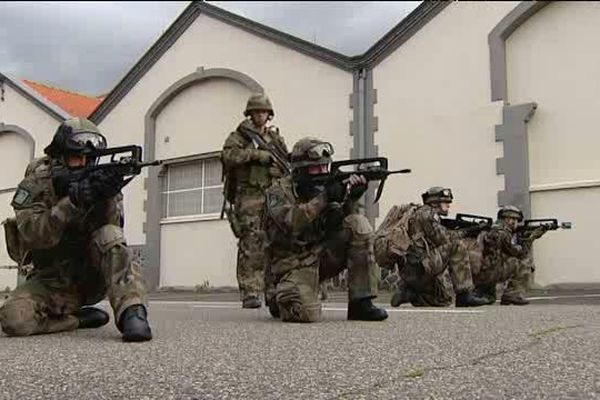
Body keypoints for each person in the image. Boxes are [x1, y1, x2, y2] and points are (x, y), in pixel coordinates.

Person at [0, 117, 152, 342]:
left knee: (109, 235)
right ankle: (78, 319)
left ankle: (132, 311)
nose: (83, 164)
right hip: (52, 281)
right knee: (13, 319)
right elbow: (34, 236)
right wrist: (72, 202)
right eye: (75, 158)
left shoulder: (99, 181)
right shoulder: (35, 186)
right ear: (59, 157)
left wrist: (106, 196)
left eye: (89, 159)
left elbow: (113, 233)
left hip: (93, 277)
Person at [262, 137, 388, 322]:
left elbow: (336, 224)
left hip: (318, 256)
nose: (322, 172)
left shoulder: (325, 187)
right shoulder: (277, 192)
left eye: (325, 167)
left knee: (358, 224)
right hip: (290, 266)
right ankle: (279, 297)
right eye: (316, 169)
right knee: (306, 314)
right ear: (300, 170)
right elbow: (291, 222)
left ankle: (361, 304)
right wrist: (325, 198)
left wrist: (352, 198)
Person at [221, 93, 289, 309]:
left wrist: (277, 168)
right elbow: (228, 156)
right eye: (257, 111)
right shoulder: (240, 136)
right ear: (250, 113)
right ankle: (250, 291)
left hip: (273, 195)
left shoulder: (274, 139)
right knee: (251, 242)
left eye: (264, 112)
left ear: (269, 115)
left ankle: (272, 290)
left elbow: (286, 163)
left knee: (275, 241)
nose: (261, 115)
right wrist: (257, 156)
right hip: (249, 196)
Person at [374, 187, 488, 308]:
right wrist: (467, 232)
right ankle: (464, 295)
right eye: (445, 202)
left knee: (443, 300)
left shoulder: (418, 214)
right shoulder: (428, 214)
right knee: (457, 245)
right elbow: (444, 238)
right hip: (420, 267)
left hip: (411, 270)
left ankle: (411, 293)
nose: (448, 205)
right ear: (435, 203)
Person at [472, 205, 547, 305]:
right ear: (508, 219)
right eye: (514, 219)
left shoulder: (492, 229)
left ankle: (485, 292)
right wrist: (530, 238)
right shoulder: (503, 233)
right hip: (490, 273)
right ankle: (512, 294)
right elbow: (518, 253)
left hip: (480, 272)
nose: (516, 222)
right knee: (525, 262)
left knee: (490, 298)